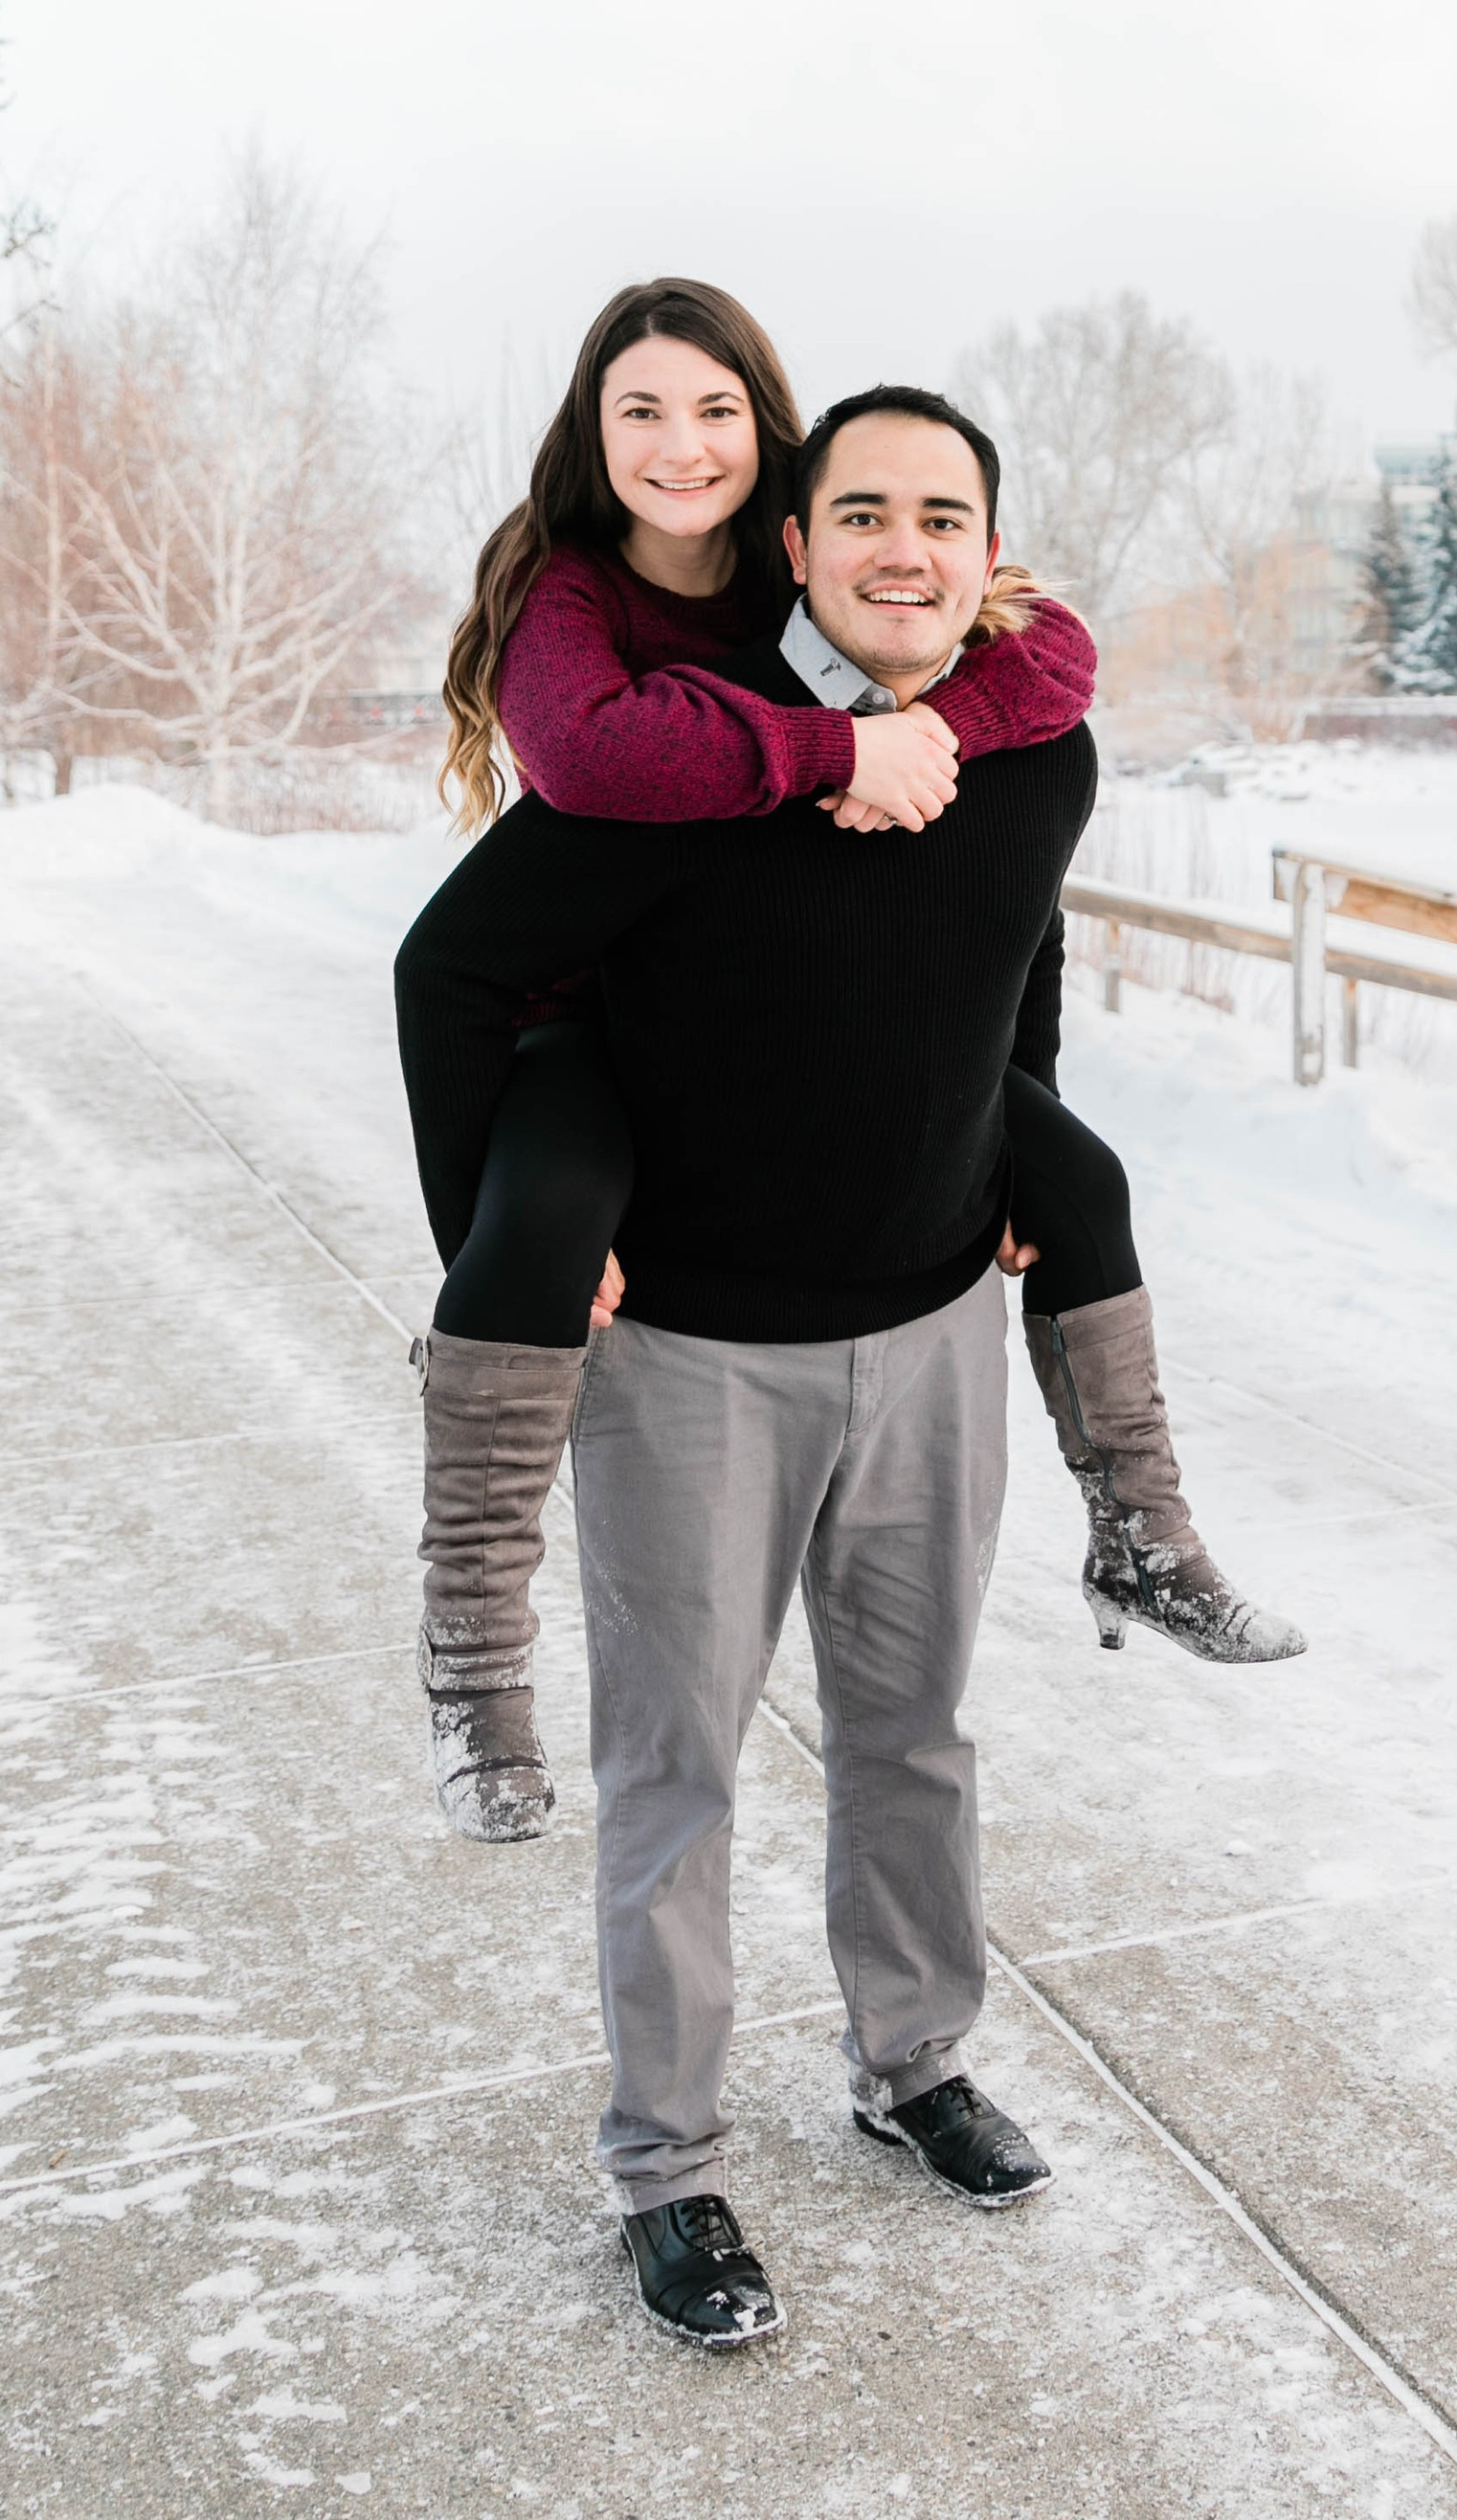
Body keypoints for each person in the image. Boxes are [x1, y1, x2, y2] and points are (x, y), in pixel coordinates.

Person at [398, 386, 1189, 2347]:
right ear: (801, 544)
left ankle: (910, 2064)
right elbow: (452, 970)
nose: (900, 547)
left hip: (927, 1338)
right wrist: (505, 1239)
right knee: (675, 1776)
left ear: (985, 547)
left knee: (912, 1741)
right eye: (860, 513)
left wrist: (1020, 1137)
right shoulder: (693, 766)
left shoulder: (1037, 754)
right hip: (688, 1362)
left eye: (941, 513)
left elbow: (1019, 952)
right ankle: (665, 2168)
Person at [413, 281, 1300, 1843]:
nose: (683, 448)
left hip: (839, 1019)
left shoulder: (824, 556)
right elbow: (595, 763)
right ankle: (473, 1659)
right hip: (578, 1011)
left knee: (1080, 1176)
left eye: (716, 413)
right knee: (538, 1222)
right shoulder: (576, 597)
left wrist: (939, 716)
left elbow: (1041, 732)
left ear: (769, 435)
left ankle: (1143, 1536)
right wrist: (839, 749)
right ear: (589, 433)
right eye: (641, 412)